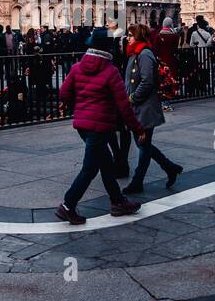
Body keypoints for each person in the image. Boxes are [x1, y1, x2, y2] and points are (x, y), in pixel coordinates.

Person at [55, 34, 147, 225]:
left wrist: (79, 107)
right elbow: (124, 106)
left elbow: (64, 93)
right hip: (101, 126)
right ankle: (67, 205)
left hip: (82, 125)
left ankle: (117, 202)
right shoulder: (111, 71)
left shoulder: (77, 67)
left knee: (105, 163)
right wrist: (138, 128)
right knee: (90, 169)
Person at [122, 24, 183, 194]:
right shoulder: (134, 53)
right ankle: (170, 168)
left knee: (143, 145)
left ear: (139, 36)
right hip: (136, 107)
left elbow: (147, 81)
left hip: (145, 107)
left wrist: (133, 97)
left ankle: (137, 181)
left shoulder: (145, 54)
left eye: (130, 35)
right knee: (144, 145)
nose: (128, 38)